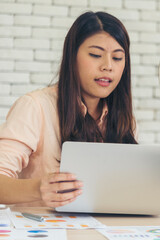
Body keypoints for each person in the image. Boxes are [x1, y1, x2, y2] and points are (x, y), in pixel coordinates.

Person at [0, 11, 137, 207]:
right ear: (72, 56)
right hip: (41, 229)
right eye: (96, 55)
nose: (108, 66)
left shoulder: (125, 119)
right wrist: (38, 189)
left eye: (117, 58)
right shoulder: (35, 106)